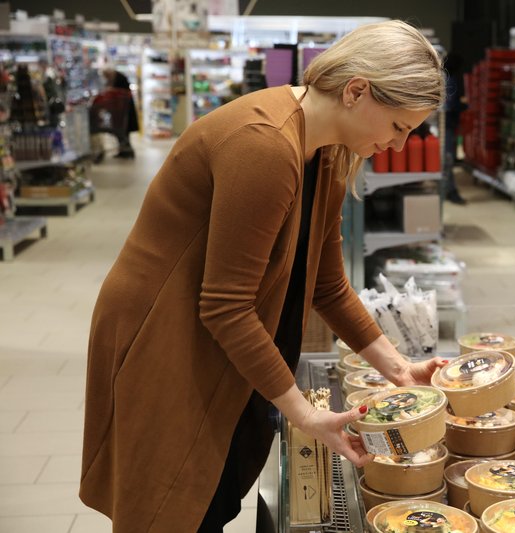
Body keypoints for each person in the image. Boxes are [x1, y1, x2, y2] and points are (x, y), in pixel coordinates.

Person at [79, 20, 446, 533]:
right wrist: (305, 414)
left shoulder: (330, 153)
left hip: (212, 330)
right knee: (174, 500)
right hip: (165, 330)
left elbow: (326, 284)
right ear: (356, 90)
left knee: (213, 488)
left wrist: (398, 368)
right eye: (398, 127)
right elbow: (225, 305)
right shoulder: (265, 144)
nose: (400, 145)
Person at [443, 52, 467, 205]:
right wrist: (465, 105)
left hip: (447, 124)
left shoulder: (446, 79)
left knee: (448, 158)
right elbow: (451, 105)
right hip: (448, 124)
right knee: (448, 159)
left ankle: (448, 189)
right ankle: (450, 190)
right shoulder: (451, 81)